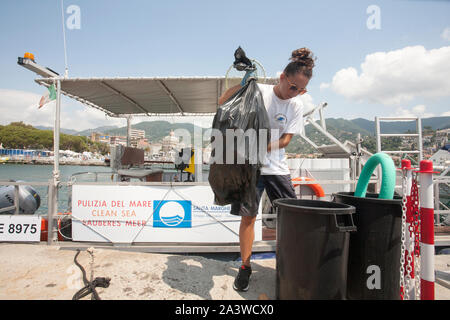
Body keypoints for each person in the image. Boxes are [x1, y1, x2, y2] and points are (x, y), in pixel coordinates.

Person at [218, 48, 316, 292]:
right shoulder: (259, 91)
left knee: (291, 219)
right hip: (250, 170)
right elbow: (222, 103)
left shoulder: (295, 105)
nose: (296, 93)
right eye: (293, 87)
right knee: (248, 217)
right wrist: (243, 85)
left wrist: (261, 146)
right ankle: (245, 267)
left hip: (276, 168)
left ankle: (289, 265)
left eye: (301, 90)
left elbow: (285, 141)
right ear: (282, 77)